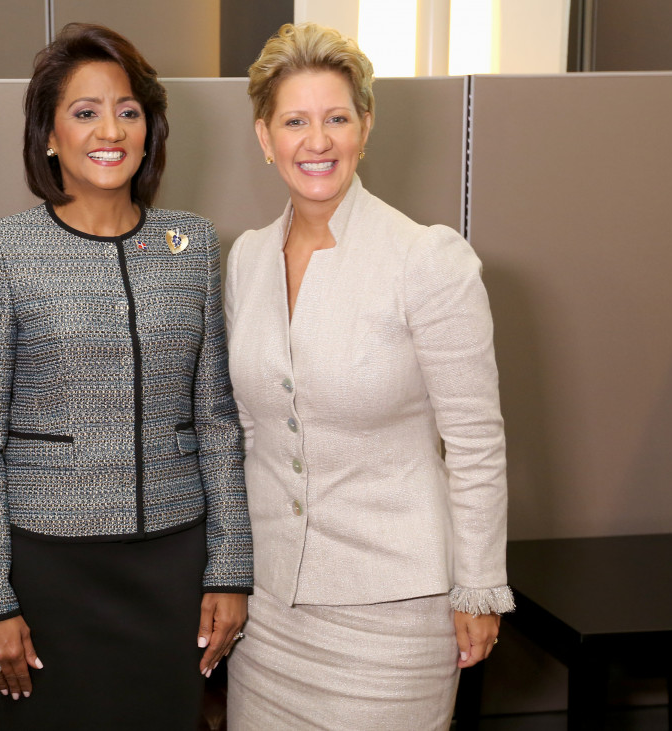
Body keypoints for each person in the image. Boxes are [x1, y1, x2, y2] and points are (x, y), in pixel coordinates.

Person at [0, 23, 252, 730]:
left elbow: (217, 419)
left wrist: (230, 568)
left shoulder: (191, 243)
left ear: (150, 130)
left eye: (128, 110)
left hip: (175, 562)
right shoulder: (1, 251)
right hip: (48, 566)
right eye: (85, 112)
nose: (110, 130)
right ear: (49, 136)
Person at [224, 22, 513, 729]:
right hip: (269, 612)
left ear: (365, 126)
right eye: (295, 121)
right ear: (265, 137)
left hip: (394, 613)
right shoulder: (247, 260)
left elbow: (474, 441)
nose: (316, 141)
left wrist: (477, 587)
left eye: (336, 118)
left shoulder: (427, 259)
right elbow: (251, 433)